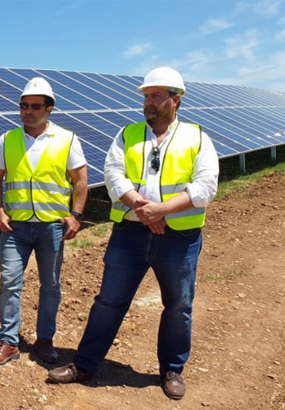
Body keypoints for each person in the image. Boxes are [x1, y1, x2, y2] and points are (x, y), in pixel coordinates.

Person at [48, 67, 219, 401]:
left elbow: (206, 185)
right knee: (109, 301)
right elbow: (113, 174)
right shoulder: (127, 135)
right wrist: (143, 207)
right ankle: (85, 364)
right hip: (129, 233)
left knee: (178, 305)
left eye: (155, 96)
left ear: (176, 99)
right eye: (145, 96)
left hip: (179, 237)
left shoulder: (197, 137)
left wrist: (163, 211)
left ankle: (172, 369)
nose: (148, 102)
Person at [0, 78, 88, 367]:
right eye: (23, 106)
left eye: (34, 106)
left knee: (50, 285)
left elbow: (80, 179)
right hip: (14, 226)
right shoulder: (7, 139)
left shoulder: (67, 139)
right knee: (9, 282)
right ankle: (9, 341)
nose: (27, 111)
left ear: (49, 108)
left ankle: (45, 340)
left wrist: (76, 215)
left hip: (52, 225)